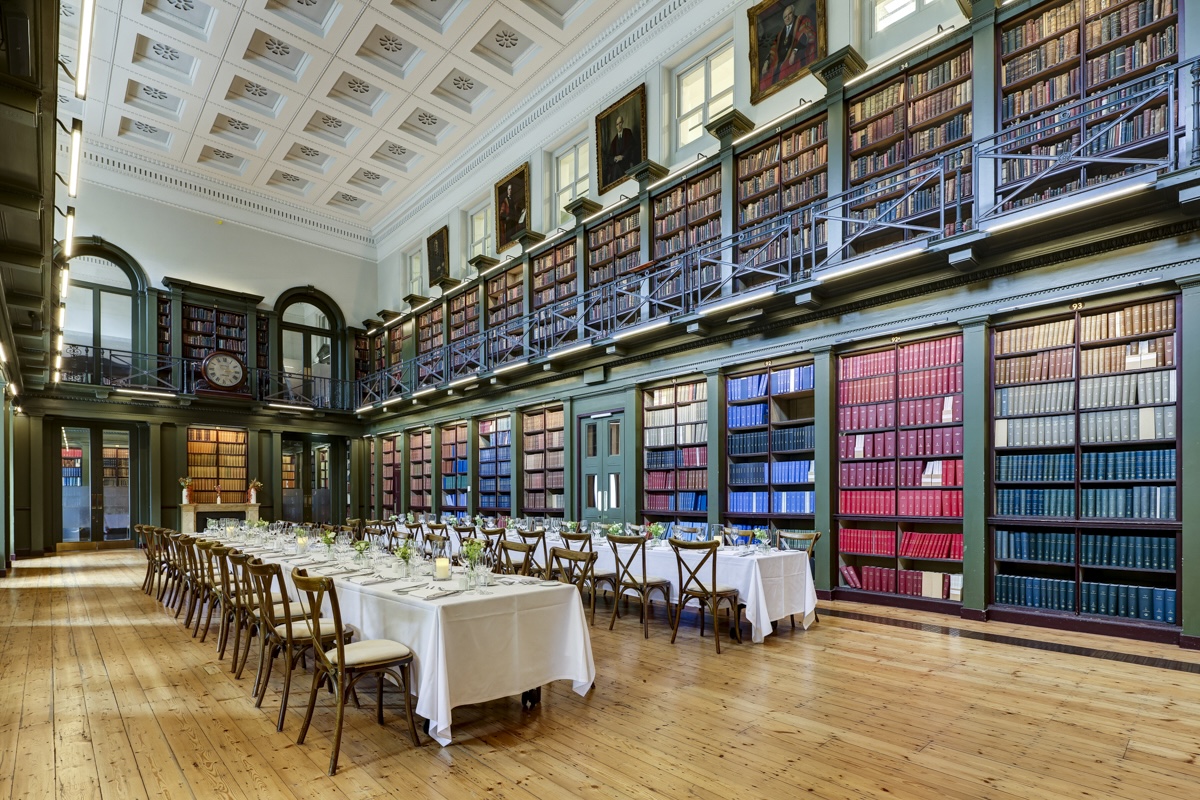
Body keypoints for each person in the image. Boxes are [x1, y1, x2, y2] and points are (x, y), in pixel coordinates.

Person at [761, 4, 818, 90]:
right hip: (779, 62)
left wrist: (794, 52)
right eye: (785, 17)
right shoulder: (780, 34)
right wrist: (766, 63)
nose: (787, 18)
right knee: (765, 78)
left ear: (793, 13)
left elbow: (806, 34)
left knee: (785, 68)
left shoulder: (801, 20)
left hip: (797, 56)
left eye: (789, 14)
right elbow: (773, 49)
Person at [606, 113, 639, 187]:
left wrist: (623, 156)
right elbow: (609, 157)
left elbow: (632, 146)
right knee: (616, 167)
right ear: (616, 126)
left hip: (627, 161)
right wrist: (615, 158)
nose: (619, 125)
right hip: (617, 164)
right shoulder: (614, 141)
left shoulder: (628, 132)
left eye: (620, 123)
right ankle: (617, 186)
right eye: (617, 124)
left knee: (616, 168)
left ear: (623, 122)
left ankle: (618, 186)